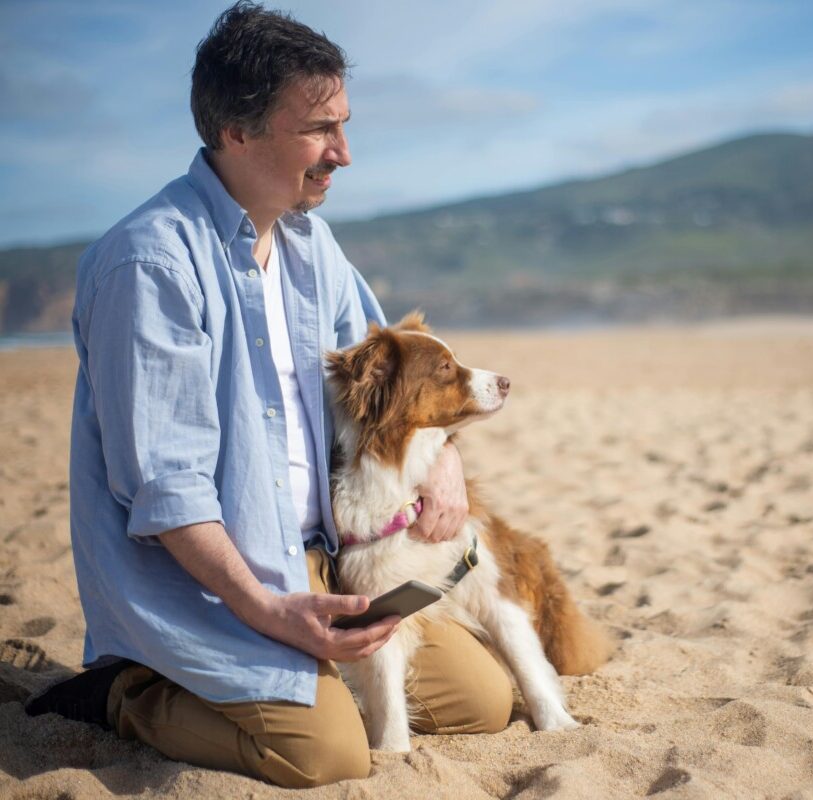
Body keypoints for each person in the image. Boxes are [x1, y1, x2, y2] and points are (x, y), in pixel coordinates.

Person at [25, 2, 512, 788]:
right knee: (323, 755)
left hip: (327, 565)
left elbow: (392, 383)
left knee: (484, 699)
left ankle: (300, 685)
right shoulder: (149, 266)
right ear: (237, 132)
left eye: (344, 125)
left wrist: (446, 456)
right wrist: (267, 609)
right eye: (320, 129)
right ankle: (127, 689)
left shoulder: (312, 243)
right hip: (214, 590)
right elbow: (167, 492)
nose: (344, 154)